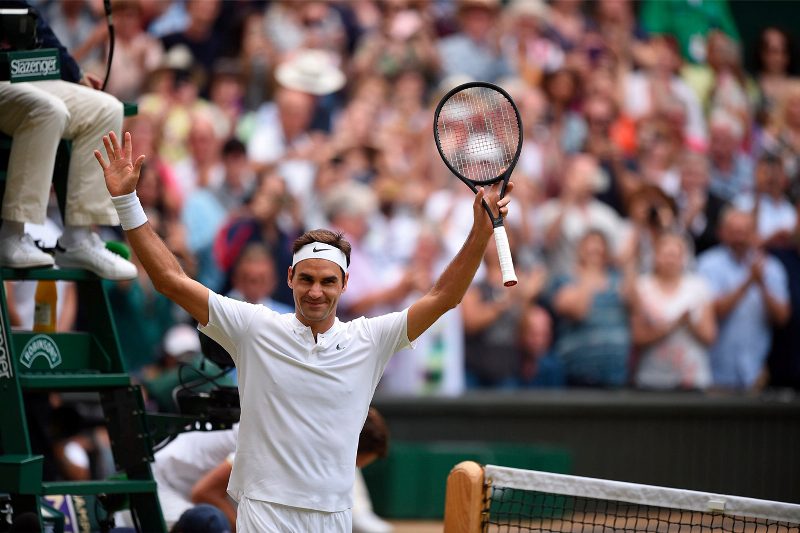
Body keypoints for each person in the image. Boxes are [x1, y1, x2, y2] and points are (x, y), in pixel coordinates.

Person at [94, 130, 513, 531]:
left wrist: (479, 233)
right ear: (290, 277)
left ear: (344, 285)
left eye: (328, 281)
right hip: (263, 514)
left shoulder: (369, 339)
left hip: (332, 517)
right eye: (307, 279)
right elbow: (170, 280)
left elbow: (444, 296)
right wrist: (128, 200)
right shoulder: (254, 326)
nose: (316, 291)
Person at [0, 1, 138, 280]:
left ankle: (78, 238)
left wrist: (75, 75)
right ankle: (12, 234)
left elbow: (32, 23)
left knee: (106, 108)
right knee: (47, 109)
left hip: (17, 76)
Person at [697, 208, 791, 390]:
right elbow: (715, 312)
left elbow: (782, 318)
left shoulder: (771, 267)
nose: (739, 238)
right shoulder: (707, 264)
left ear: (754, 234)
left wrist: (762, 284)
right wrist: (748, 282)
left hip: (756, 373)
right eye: (734, 232)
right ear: (721, 233)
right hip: (716, 371)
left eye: (744, 232)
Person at [631, 231, 717, 390]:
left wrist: (689, 323)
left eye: (675, 255)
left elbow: (709, 336)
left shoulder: (699, 286)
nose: (670, 260)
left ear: (684, 258)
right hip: (653, 377)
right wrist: (672, 325)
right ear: (655, 256)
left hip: (692, 377)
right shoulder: (642, 286)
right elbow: (638, 336)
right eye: (665, 254)